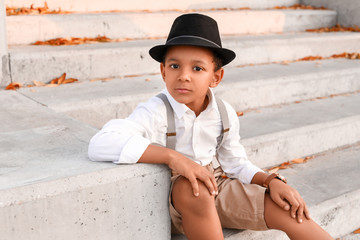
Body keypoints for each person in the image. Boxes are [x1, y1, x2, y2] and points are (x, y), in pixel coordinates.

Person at [88, 13, 333, 240]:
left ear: (216, 77)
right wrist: (173, 158)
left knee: (288, 209)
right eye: (174, 66)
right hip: (177, 196)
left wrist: (271, 180)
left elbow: (235, 163)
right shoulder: (157, 110)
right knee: (193, 189)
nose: (184, 76)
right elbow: (101, 143)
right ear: (163, 71)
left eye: (197, 68)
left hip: (216, 185)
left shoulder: (223, 114)